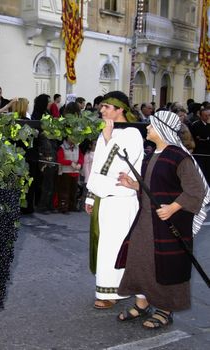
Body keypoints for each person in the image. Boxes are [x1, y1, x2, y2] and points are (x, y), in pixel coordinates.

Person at [115, 111, 210, 329]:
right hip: (146, 221)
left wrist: (173, 208)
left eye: (151, 125)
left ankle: (165, 310)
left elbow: (197, 191)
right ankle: (142, 303)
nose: (147, 128)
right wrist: (134, 184)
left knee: (168, 267)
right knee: (140, 260)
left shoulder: (179, 157)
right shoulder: (151, 155)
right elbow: (155, 188)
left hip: (170, 224)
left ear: (162, 129)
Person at [84, 91, 143, 309]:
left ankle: (117, 292)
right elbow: (97, 165)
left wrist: (108, 138)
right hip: (104, 198)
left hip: (121, 200)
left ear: (120, 110)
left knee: (117, 248)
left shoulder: (132, 134)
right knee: (105, 248)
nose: (102, 110)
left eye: (107, 107)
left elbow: (118, 168)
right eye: (102, 106)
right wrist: (91, 196)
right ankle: (106, 289)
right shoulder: (106, 133)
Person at [57, 138, 84, 214]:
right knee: (64, 191)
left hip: (75, 171)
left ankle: (72, 206)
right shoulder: (62, 147)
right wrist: (70, 163)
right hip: (65, 172)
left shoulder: (77, 147)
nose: (73, 139)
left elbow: (81, 157)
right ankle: (63, 207)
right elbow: (60, 160)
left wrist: (79, 163)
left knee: (74, 191)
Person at [190, 105, 210, 183]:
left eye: (209, 115)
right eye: (206, 116)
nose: (208, 117)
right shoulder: (196, 125)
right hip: (200, 153)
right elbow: (201, 137)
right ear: (201, 116)